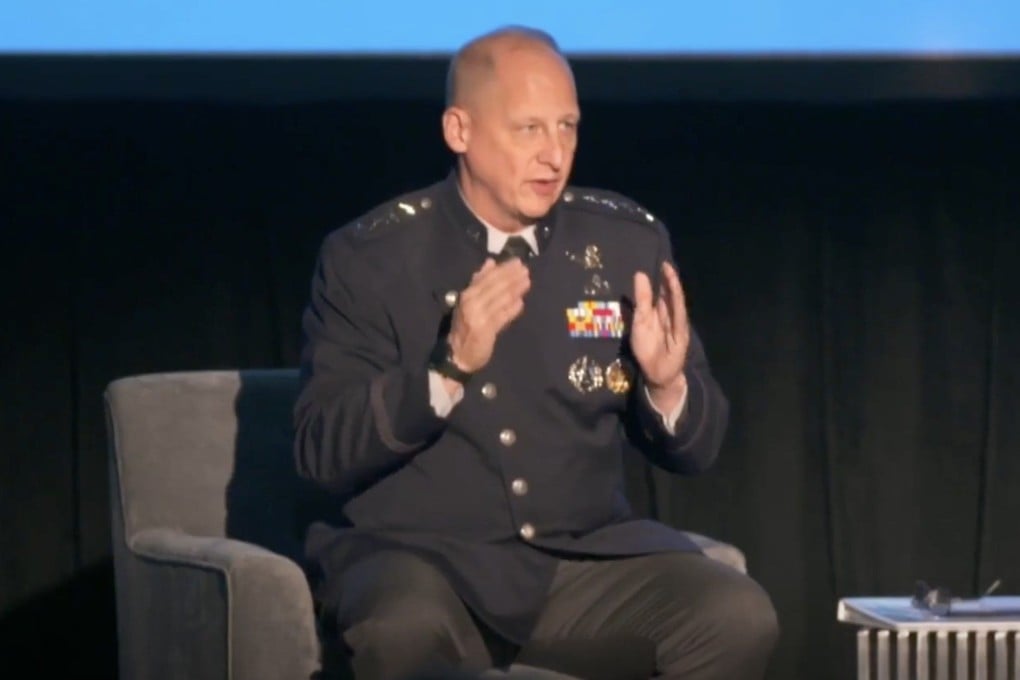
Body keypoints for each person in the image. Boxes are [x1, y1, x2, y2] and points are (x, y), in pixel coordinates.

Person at [293, 25, 779, 680]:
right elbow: (320, 451)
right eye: (528, 130)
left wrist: (666, 387)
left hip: (579, 565)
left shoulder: (627, 242)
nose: (554, 154)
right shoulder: (371, 259)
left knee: (736, 616)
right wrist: (446, 370)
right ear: (459, 131)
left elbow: (698, 448)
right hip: (423, 561)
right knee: (402, 632)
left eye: (568, 127)